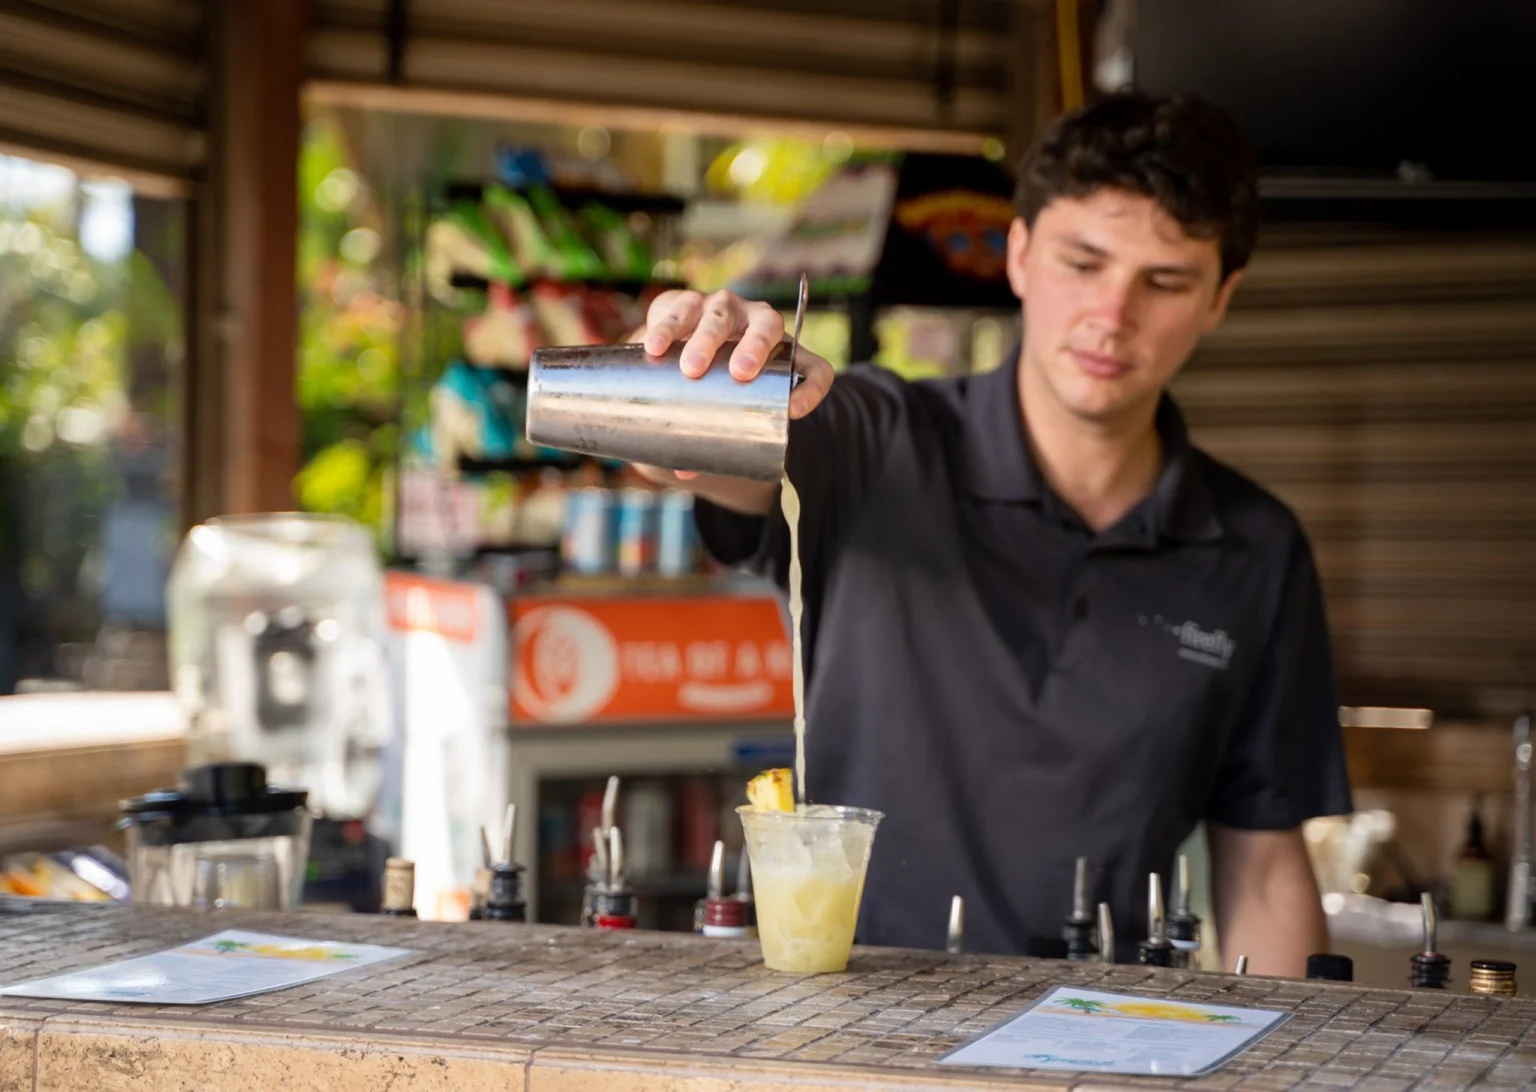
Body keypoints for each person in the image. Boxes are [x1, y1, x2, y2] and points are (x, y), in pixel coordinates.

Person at [637, 92, 1351, 975]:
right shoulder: (876, 440)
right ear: (1016, 253)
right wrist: (696, 373)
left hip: (1104, 1044)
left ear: (1219, 299)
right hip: (849, 1037)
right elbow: (698, 456)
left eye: (1163, 281)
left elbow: (1266, 868)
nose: (1111, 315)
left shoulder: (1254, 549)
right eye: (1082, 262)